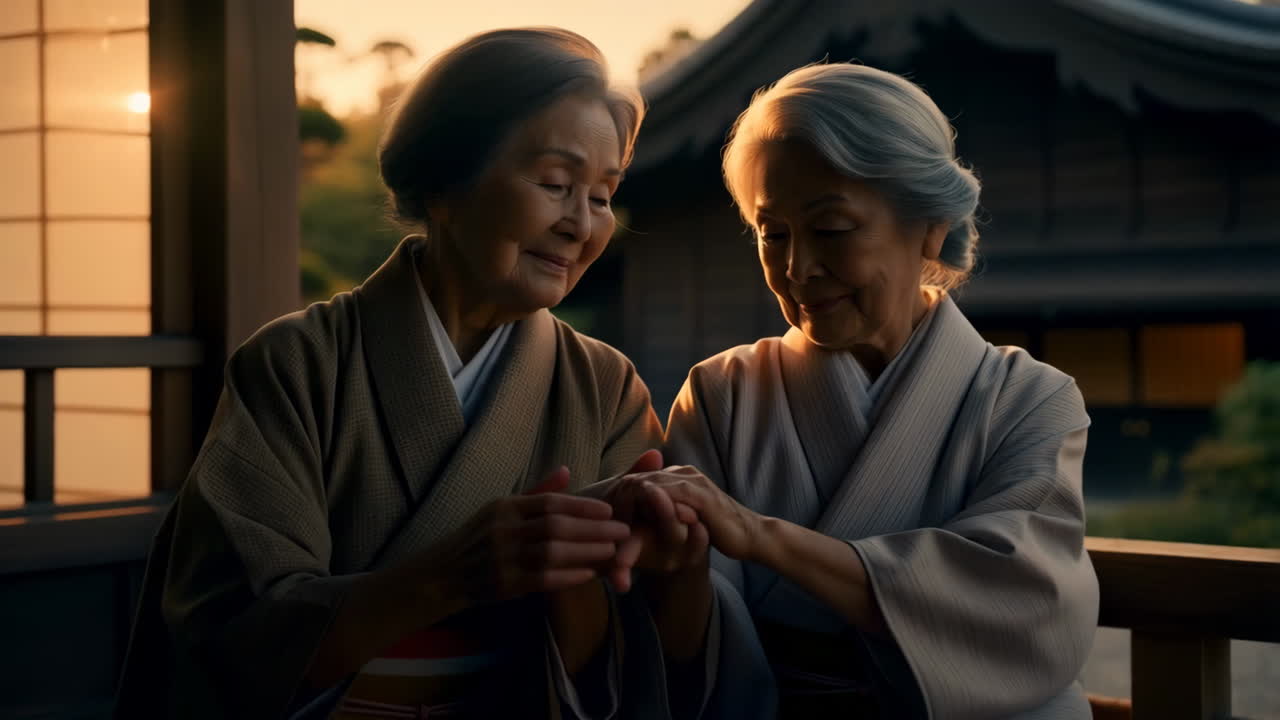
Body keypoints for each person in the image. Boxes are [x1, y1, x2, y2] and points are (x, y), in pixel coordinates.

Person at [114, 27, 710, 719]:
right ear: (443, 185)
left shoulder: (605, 389)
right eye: (554, 183)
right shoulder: (296, 365)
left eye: (603, 196)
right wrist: (448, 578)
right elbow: (234, 636)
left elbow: (640, 654)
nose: (582, 224)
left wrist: (675, 566)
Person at [618, 63, 1100, 718]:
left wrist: (759, 536)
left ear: (929, 225)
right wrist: (669, 565)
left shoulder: (1030, 401)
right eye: (773, 233)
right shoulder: (722, 392)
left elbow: (1018, 598)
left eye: (832, 229)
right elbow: (684, 634)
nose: (797, 269)